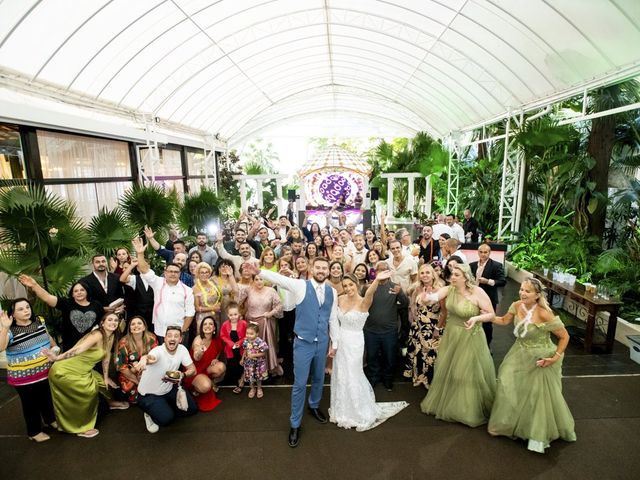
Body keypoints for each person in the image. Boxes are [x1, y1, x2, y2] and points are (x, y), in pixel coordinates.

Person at [242, 258, 339, 448]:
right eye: (318, 267)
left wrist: (334, 342)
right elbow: (279, 279)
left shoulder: (332, 292)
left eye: (324, 268)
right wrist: (259, 272)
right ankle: (295, 423)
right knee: (300, 384)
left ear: (328, 271)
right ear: (311, 269)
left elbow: (333, 319)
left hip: (322, 343)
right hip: (303, 343)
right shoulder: (300, 285)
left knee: (319, 378)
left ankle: (314, 405)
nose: (321, 270)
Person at [486, 278, 576, 453]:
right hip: (519, 352)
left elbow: (565, 336)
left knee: (536, 395)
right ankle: (510, 423)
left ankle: (536, 433)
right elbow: (504, 321)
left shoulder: (544, 313)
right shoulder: (516, 305)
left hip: (540, 357)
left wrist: (555, 358)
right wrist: (487, 316)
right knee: (507, 381)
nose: (522, 293)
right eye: (521, 289)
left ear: (537, 295)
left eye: (527, 291)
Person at [420, 263, 496, 427]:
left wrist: (476, 319)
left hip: (470, 336)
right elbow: (433, 297)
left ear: (465, 278)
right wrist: (426, 298)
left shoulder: (478, 292)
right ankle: (451, 402)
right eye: (452, 274)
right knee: (450, 368)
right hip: (451, 335)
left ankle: (468, 408)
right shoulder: (449, 289)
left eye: (456, 275)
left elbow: (491, 314)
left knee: (467, 370)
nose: (452, 277)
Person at [330, 271, 408, 431]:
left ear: (356, 284)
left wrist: (377, 280)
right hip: (341, 341)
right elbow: (333, 321)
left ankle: (358, 410)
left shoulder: (364, 301)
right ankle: (342, 408)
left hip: (355, 342)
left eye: (350, 284)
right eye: (345, 286)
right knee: (341, 373)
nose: (348, 288)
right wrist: (334, 341)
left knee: (353, 373)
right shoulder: (340, 298)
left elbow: (371, 291)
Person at [44, 313, 129, 438]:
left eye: (116, 320)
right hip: (65, 371)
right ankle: (80, 427)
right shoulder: (97, 334)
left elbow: (106, 358)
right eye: (109, 320)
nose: (113, 322)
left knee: (102, 383)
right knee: (88, 390)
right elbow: (77, 349)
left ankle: (110, 403)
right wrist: (57, 357)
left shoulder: (111, 336)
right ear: (102, 323)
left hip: (84, 370)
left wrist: (105, 377)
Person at [0, 299, 57, 442]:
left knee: (46, 398)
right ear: (12, 314)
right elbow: (1, 347)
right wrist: (5, 327)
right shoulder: (10, 331)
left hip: (45, 372)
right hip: (23, 377)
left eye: (27, 307)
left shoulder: (39, 321)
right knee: (30, 404)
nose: (26, 310)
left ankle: (50, 420)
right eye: (20, 309)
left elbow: (48, 338)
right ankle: (34, 432)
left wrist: (55, 350)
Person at [132, 237, 195, 344]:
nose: (173, 274)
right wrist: (140, 254)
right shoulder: (158, 282)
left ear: (180, 274)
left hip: (179, 333)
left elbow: (190, 313)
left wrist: (182, 331)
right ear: (165, 273)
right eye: (170, 271)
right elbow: (144, 269)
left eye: (176, 272)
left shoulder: (187, 290)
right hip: (160, 331)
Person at [135, 326, 198, 433]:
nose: (172, 338)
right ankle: (149, 412)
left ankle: (162, 407)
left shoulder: (182, 349)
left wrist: (183, 375)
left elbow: (193, 370)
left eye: (176, 336)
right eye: (169, 336)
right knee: (167, 419)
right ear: (165, 338)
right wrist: (143, 359)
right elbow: (150, 358)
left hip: (169, 388)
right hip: (149, 394)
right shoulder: (158, 351)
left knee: (192, 409)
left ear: (180, 339)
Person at [18, 275, 104, 350]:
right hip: (71, 347)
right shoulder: (66, 303)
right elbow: (47, 297)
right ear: (72, 294)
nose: (79, 292)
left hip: (92, 346)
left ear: (87, 291)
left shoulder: (96, 305)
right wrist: (34, 285)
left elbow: (102, 323)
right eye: (76, 291)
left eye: (82, 290)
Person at [363, 262, 408, 391]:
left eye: (385, 269)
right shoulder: (368, 288)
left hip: (389, 331)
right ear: (375, 272)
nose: (382, 272)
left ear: (390, 272)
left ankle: (388, 379)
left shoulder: (395, 287)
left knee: (390, 357)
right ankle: (373, 378)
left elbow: (404, 304)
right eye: (380, 270)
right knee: (372, 357)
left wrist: (400, 294)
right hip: (371, 330)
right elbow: (362, 305)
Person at [403, 264, 445, 389]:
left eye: (427, 272)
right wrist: (415, 318)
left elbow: (444, 312)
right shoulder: (417, 289)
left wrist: (437, 329)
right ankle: (419, 376)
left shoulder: (440, 290)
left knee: (430, 354)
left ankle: (430, 379)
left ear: (433, 274)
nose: (425, 275)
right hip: (418, 326)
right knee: (418, 351)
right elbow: (413, 306)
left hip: (433, 327)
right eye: (422, 273)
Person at [235, 273, 284, 376]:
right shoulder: (248, 290)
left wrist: (270, 314)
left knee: (265, 345)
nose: (259, 281)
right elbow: (238, 300)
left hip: (265, 322)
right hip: (251, 323)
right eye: (256, 279)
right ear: (253, 281)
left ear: (265, 280)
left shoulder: (271, 291)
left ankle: (269, 366)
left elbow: (279, 305)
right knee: (252, 346)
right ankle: (253, 368)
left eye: (261, 279)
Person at [183, 316, 225, 412]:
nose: (208, 326)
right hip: (194, 371)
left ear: (214, 328)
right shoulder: (198, 340)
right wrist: (200, 351)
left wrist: (215, 359)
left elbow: (218, 352)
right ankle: (194, 389)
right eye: (205, 324)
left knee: (221, 367)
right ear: (201, 327)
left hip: (206, 368)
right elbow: (196, 357)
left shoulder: (217, 340)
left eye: (210, 324)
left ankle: (211, 381)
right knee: (206, 386)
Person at [115, 316, 158, 403]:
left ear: (144, 327)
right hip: (131, 372)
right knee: (130, 390)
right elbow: (122, 367)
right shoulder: (124, 343)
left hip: (148, 368)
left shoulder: (151, 338)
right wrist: (138, 382)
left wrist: (145, 361)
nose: (136, 326)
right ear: (130, 329)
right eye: (133, 324)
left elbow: (156, 356)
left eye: (139, 323)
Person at [470, 244, 506, 346]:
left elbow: (502, 281)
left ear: (489, 253)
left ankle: (486, 345)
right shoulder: (472, 265)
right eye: (481, 252)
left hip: (489, 298)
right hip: (473, 298)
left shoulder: (496, 265)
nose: (483, 254)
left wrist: (488, 281)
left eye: (485, 252)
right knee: (473, 319)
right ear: (478, 252)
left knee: (487, 323)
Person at [220, 302, 247, 394]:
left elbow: (247, 336)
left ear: (239, 314)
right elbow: (222, 336)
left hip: (241, 350)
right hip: (230, 350)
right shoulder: (225, 324)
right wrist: (231, 343)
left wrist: (239, 342)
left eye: (235, 314)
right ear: (228, 315)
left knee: (241, 364)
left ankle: (241, 381)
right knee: (232, 364)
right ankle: (235, 379)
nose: (233, 317)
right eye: (231, 315)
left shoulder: (243, 323)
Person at [242, 323, 269, 399]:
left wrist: (254, 355)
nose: (249, 335)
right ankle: (252, 388)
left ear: (257, 334)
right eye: (247, 333)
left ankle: (259, 388)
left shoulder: (260, 342)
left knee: (258, 377)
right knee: (250, 377)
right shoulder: (246, 341)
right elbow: (245, 350)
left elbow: (264, 353)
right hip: (249, 364)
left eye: (251, 334)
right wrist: (242, 358)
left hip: (258, 364)